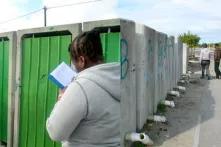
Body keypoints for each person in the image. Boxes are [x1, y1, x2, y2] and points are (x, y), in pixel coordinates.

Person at [46, 29, 120, 147]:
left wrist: (61, 97)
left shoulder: (80, 87)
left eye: (74, 62)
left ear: (81, 60)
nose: (73, 67)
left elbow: (55, 132)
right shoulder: (120, 76)